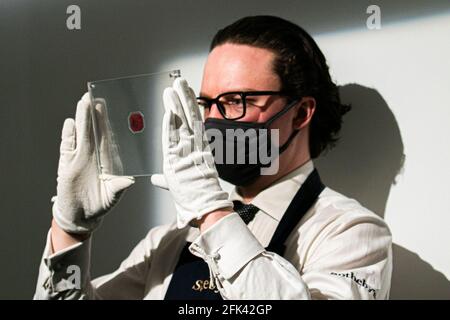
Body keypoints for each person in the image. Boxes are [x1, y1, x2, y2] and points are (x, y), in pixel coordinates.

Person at [34, 15, 392, 300]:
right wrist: (69, 231)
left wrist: (211, 210)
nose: (213, 121)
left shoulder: (351, 232)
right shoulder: (169, 242)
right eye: (206, 103)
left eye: (236, 101)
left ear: (300, 114)